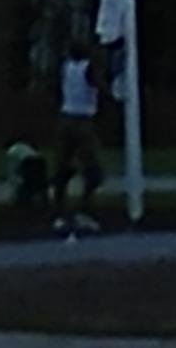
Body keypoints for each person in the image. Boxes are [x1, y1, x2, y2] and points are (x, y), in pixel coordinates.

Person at [51, 39, 104, 235]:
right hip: (83, 121)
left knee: (62, 168)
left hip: (65, 118)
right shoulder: (88, 68)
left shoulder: (65, 67)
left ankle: (59, 214)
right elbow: (98, 84)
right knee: (94, 171)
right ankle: (84, 211)